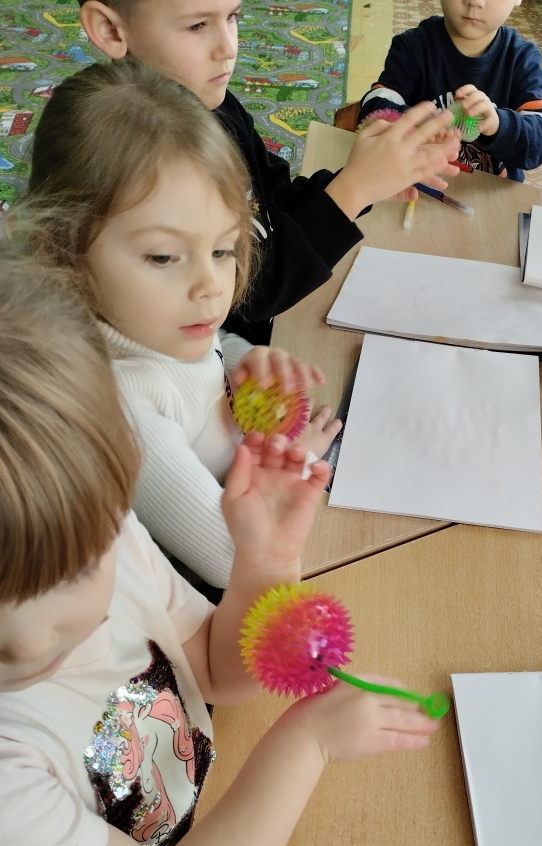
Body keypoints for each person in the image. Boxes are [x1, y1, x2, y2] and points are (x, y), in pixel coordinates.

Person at [0, 252, 441, 846]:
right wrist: (306, 744)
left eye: (82, 562)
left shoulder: (101, 530)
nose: (45, 627)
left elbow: (212, 667)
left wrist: (264, 561)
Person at [29, 59, 339, 592]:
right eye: (164, 257)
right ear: (63, 250)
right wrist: (294, 465)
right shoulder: (125, 411)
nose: (211, 287)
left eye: (223, 249)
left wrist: (245, 359)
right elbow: (229, 559)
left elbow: (210, 351)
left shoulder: (154, 320)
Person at [75, 0, 461, 344]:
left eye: (232, 17)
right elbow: (245, 296)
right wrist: (353, 190)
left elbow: (274, 205)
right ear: (110, 30)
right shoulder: (138, 162)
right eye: (197, 25)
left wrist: (367, 179)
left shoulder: (215, 106)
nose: (229, 48)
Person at [357, 0, 542, 179]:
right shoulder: (412, 47)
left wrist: (498, 124)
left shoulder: (523, 60)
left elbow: (541, 140)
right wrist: (419, 125)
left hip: (490, 196)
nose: (475, 2)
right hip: (417, 185)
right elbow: (373, 109)